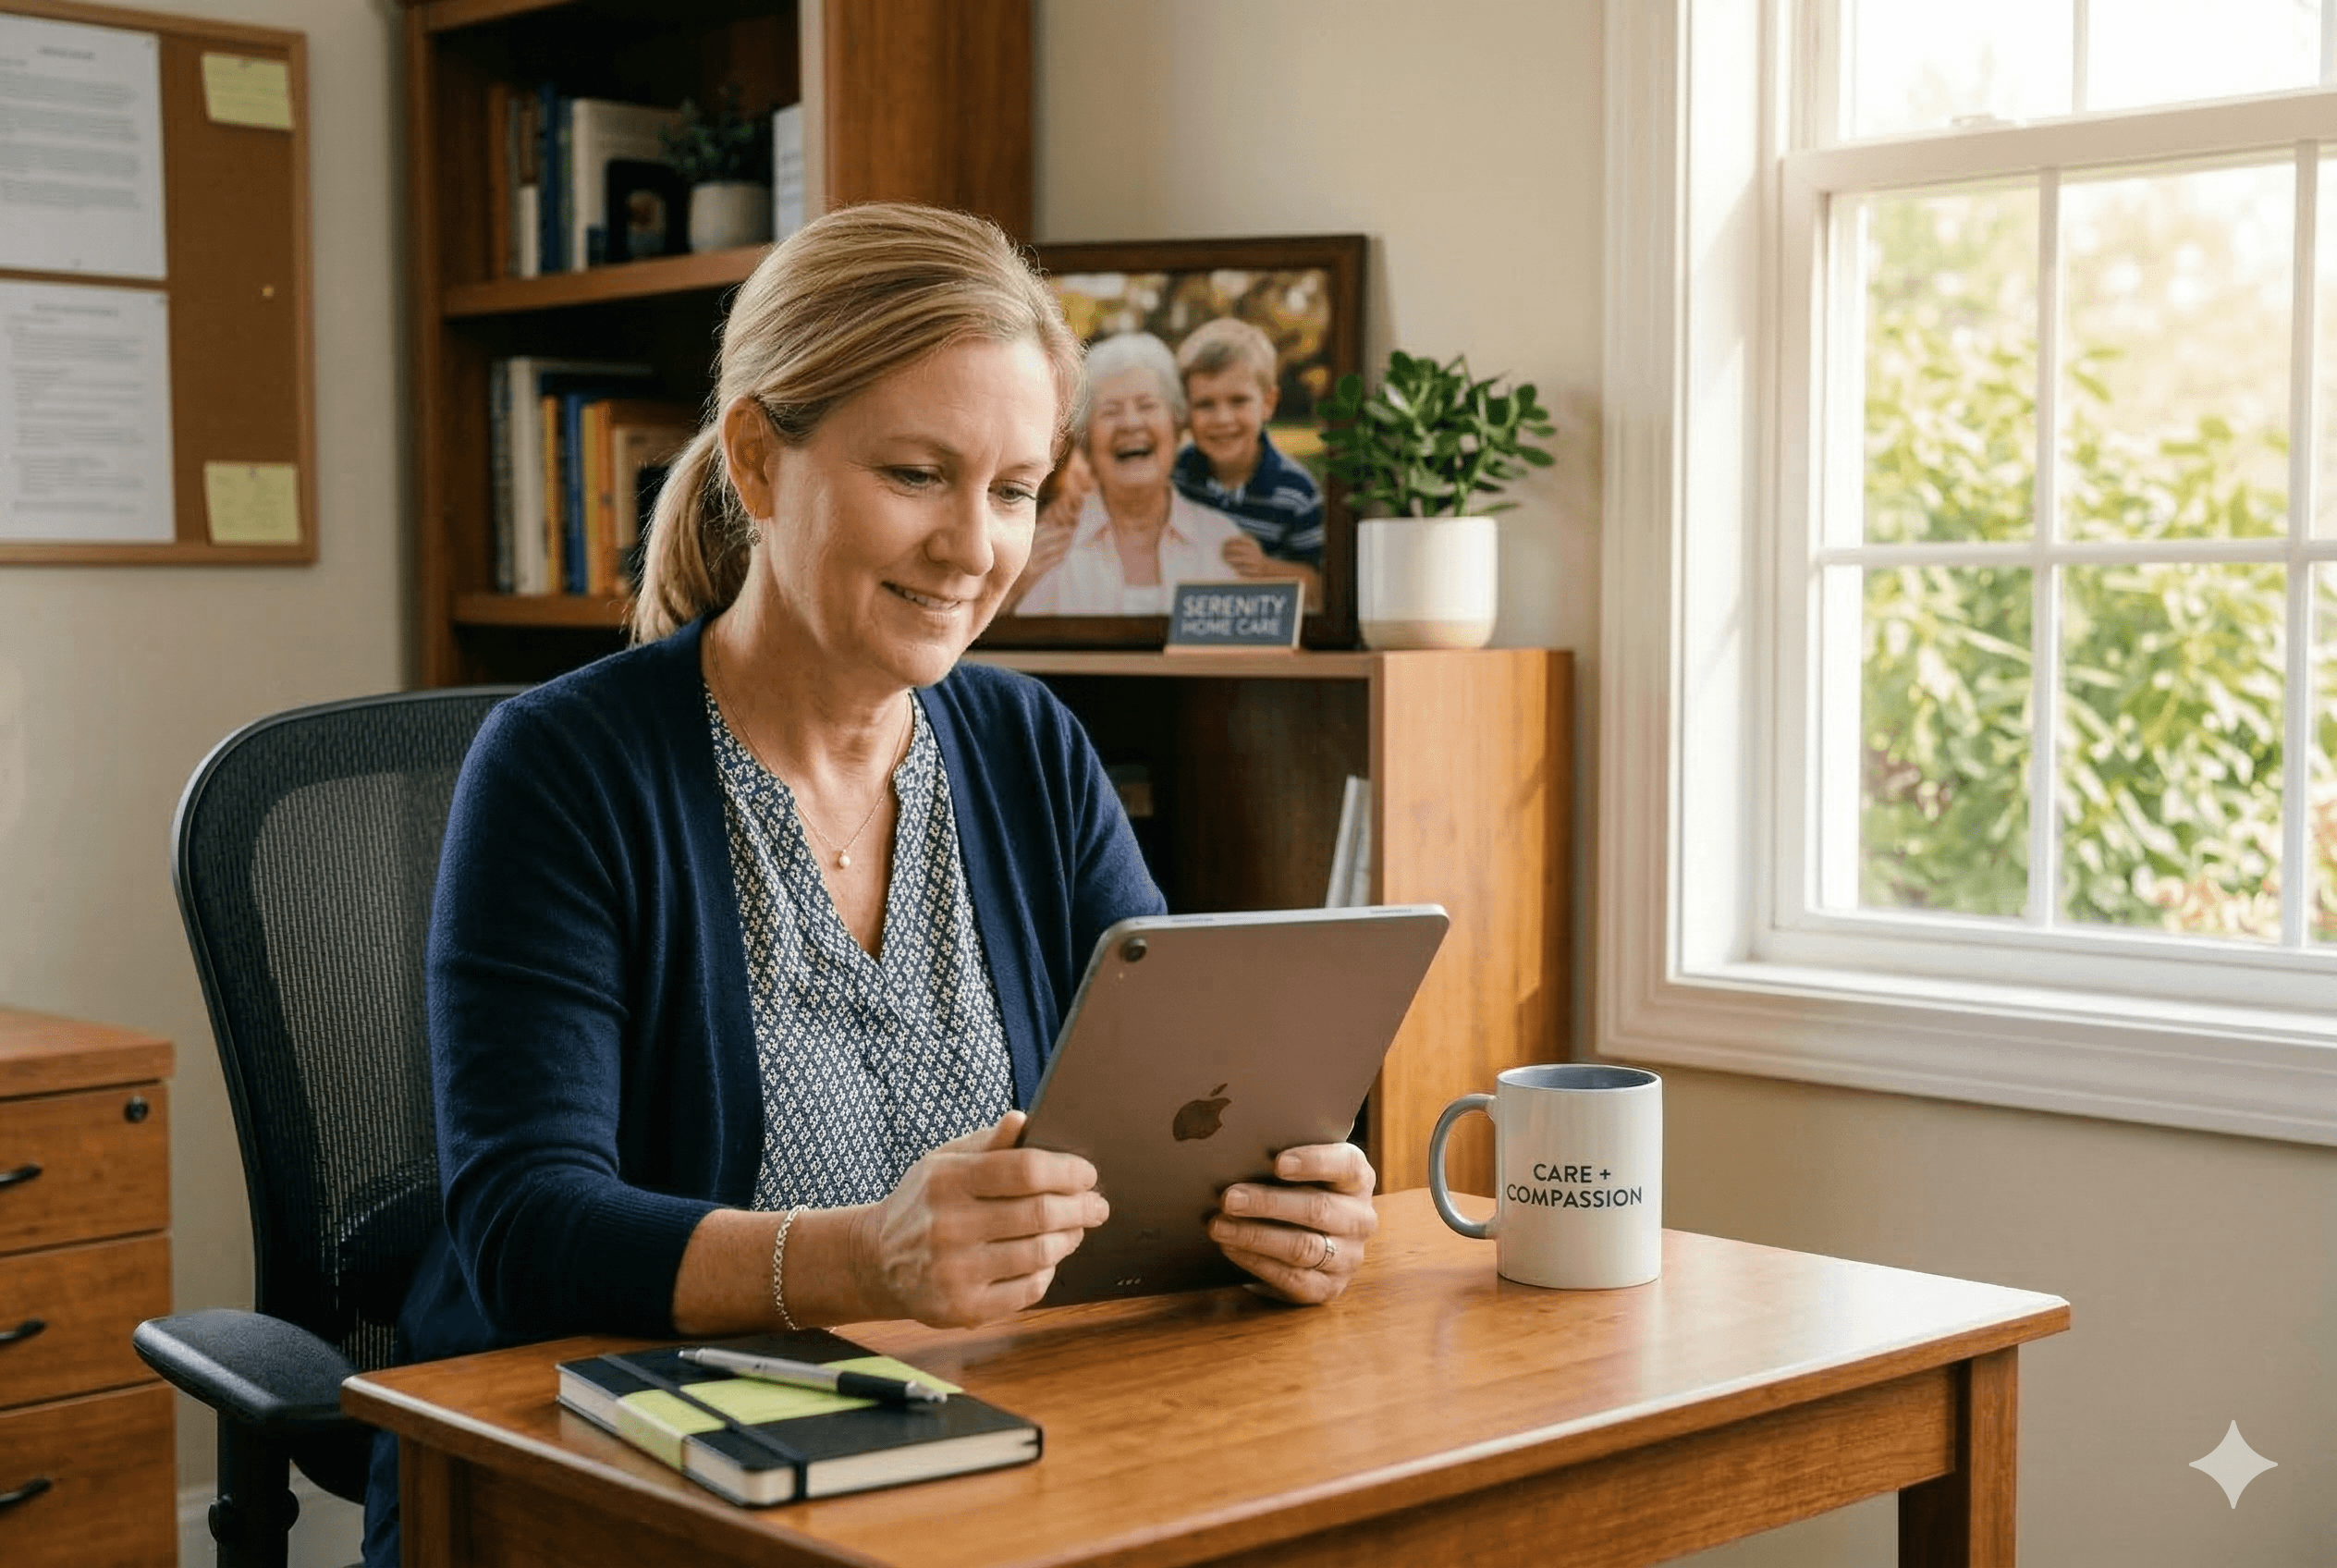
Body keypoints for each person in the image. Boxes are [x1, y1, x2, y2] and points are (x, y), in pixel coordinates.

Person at [362, 204, 1379, 1566]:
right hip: (614, 1473)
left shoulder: (1028, 746)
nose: (975, 547)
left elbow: (1174, 1099)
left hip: (972, 1456)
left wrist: (1281, 1202)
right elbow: (526, 1228)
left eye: (1017, 489)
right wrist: (863, 1260)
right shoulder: (563, 767)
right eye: (918, 473)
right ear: (759, 462)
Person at [1009, 331, 1273, 616]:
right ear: (1087, 443)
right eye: (1110, 411)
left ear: (1176, 425)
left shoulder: (1223, 541)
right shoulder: (1045, 546)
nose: (1131, 423)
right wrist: (1014, 586)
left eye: (1147, 406)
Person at [1170, 316, 1326, 610]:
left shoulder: (1296, 492)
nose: (1222, 419)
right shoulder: (1175, 476)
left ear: (1267, 403)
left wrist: (1265, 568)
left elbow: (1318, 587)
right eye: (1205, 404)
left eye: (1238, 401)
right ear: (1186, 410)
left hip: (1259, 638)